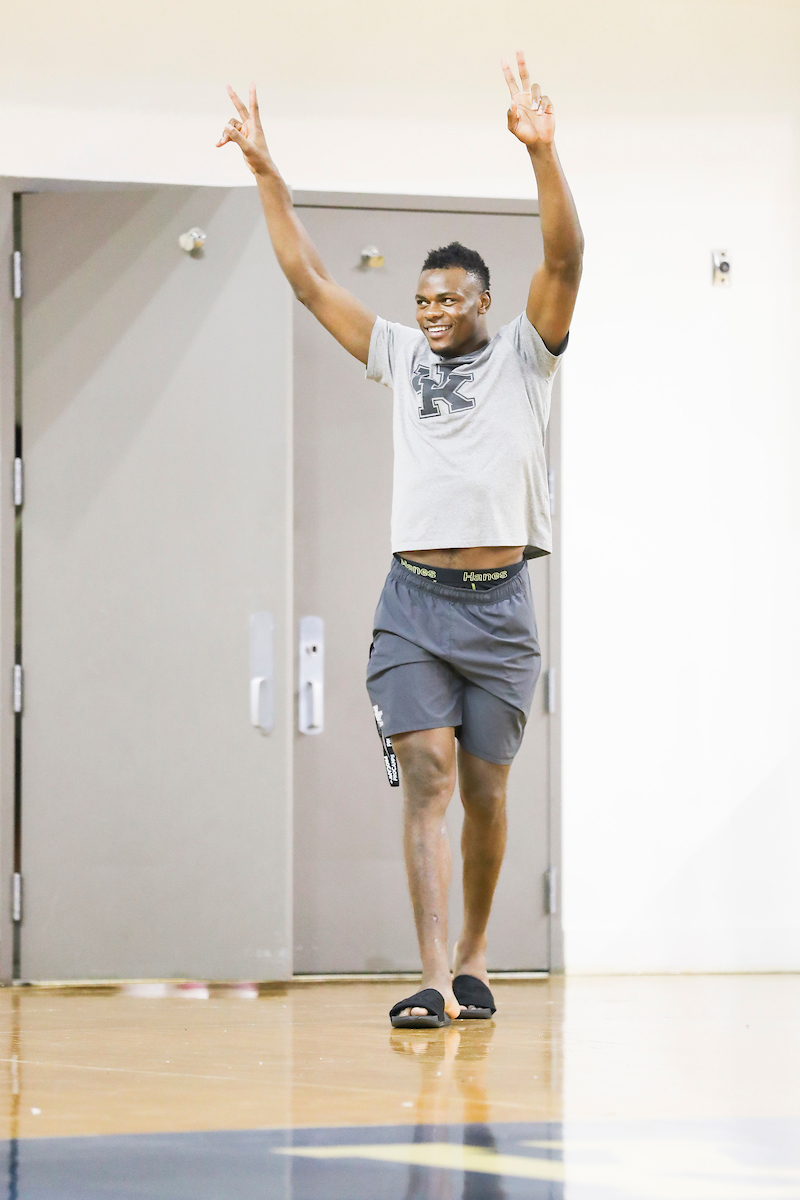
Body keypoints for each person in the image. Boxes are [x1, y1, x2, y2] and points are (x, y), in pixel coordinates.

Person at [217, 51, 583, 1027]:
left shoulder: (524, 356)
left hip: (500, 607)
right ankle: (428, 974)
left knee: (486, 792)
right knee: (423, 769)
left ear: (481, 304)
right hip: (413, 604)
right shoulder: (394, 354)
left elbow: (562, 260)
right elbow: (307, 280)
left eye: (445, 299)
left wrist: (540, 153)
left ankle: (473, 956)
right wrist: (265, 171)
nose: (426, 312)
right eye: (419, 299)